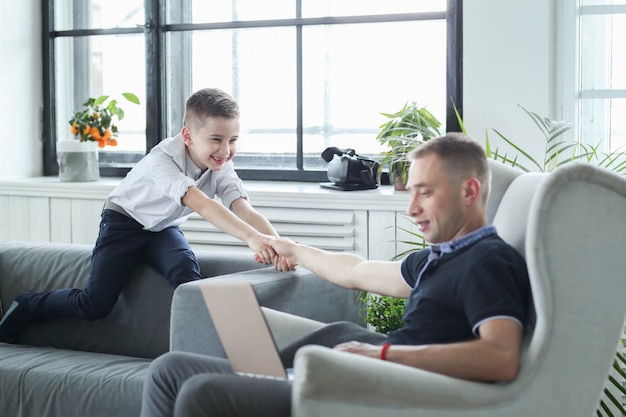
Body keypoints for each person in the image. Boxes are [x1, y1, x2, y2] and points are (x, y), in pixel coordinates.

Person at [139, 132, 531, 417]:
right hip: (354, 369)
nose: (411, 208)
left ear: (469, 191)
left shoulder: (486, 261)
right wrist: (293, 249)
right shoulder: (438, 258)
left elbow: (500, 357)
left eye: (425, 192)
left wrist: (380, 353)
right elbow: (356, 271)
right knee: (168, 370)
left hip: (381, 390)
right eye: (410, 192)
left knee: (202, 392)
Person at [0, 87, 291, 344]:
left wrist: (277, 245)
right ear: (187, 135)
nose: (226, 151)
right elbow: (201, 204)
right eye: (217, 139)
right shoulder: (162, 159)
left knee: (186, 273)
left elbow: (243, 208)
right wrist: (253, 239)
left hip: (163, 228)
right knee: (95, 304)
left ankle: (201, 345)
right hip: (123, 223)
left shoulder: (221, 165)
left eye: (233, 140)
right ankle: (27, 305)